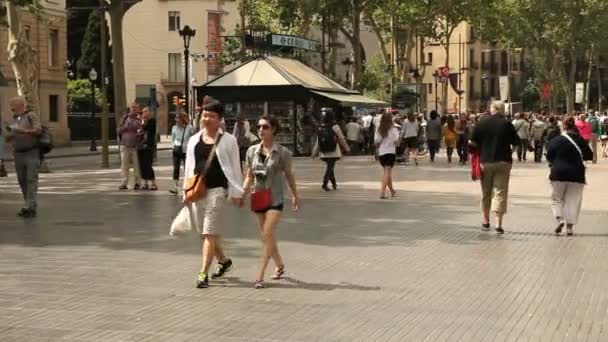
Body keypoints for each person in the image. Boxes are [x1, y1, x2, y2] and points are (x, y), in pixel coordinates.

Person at [183, 97, 244, 289]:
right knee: (205, 234)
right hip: (198, 190)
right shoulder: (194, 139)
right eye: (204, 115)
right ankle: (224, 261)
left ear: (220, 119)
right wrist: (185, 191)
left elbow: (235, 167)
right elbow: (189, 167)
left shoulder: (229, 140)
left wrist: (237, 191)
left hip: (217, 191)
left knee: (209, 233)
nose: (206, 119)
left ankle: (203, 273)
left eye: (211, 116)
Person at [242, 115, 300, 289]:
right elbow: (249, 176)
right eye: (259, 127)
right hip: (258, 197)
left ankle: (259, 276)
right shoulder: (251, 151)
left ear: (273, 129)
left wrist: (295, 195)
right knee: (268, 236)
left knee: (267, 234)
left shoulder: (283, 152)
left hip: (275, 198)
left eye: (265, 127)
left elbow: (289, 175)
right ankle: (280, 264)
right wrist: (241, 194)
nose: (261, 130)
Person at [470, 101, 520, 234]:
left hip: (486, 161)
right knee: (500, 192)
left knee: (486, 192)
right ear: (502, 110)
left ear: (492, 109)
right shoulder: (507, 124)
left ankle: (486, 222)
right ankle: (498, 224)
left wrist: (477, 151)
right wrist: (510, 152)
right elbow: (516, 143)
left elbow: (471, 142)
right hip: (504, 161)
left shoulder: (482, 123)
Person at [546, 116, 593, 236]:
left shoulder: (556, 140)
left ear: (563, 126)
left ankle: (559, 219)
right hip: (577, 174)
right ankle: (569, 227)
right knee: (573, 200)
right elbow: (589, 155)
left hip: (558, 173)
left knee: (556, 199)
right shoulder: (581, 140)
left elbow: (549, 157)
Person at [4, 96, 42, 218]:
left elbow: (38, 130)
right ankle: (29, 205)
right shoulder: (14, 119)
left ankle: (28, 206)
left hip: (31, 152)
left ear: (20, 105)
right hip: (18, 153)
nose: (11, 107)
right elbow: (9, 137)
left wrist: (23, 131)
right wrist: (7, 134)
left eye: (13, 104)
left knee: (31, 179)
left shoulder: (31, 115)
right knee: (22, 180)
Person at [312, 109, 350, 191]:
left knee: (330, 166)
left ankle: (334, 183)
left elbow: (318, 141)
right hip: (333, 151)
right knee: (330, 167)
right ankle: (324, 183)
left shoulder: (321, 127)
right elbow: (341, 138)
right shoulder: (335, 126)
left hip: (323, 151)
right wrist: (346, 148)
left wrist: (314, 152)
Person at [375, 113, 400, 199]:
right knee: (387, 173)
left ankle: (392, 191)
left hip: (381, 153)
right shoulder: (393, 129)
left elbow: (376, 141)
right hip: (390, 152)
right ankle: (382, 192)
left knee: (387, 173)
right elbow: (397, 142)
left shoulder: (379, 129)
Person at [118, 103, 142, 190]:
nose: (133, 109)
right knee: (124, 165)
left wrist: (139, 133)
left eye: (135, 108)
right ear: (130, 109)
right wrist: (125, 127)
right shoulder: (125, 118)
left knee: (136, 165)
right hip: (125, 145)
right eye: (132, 108)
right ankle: (124, 183)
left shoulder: (139, 119)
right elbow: (119, 130)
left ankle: (137, 183)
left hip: (135, 146)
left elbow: (141, 130)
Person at [170, 112, 195, 195]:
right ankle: (175, 187)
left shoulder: (189, 128)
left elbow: (193, 138)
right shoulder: (174, 128)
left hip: (186, 150)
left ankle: (187, 186)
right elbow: (173, 138)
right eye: (176, 119)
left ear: (182, 119)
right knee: (176, 168)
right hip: (177, 149)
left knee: (186, 168)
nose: (176, 120)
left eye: (178, 118)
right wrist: (173, 146)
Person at [137, 107, 157, 190]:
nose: (144, 113)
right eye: (143, 112)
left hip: (149, 146)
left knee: (148, 165)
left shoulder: (152, 121)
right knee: (142, 165)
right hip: (140, 146)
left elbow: (146, 128)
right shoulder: (140, 122)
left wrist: (142, 121)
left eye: (146, 111)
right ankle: (145, 183)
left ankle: (153, 183)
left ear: (149, 113)